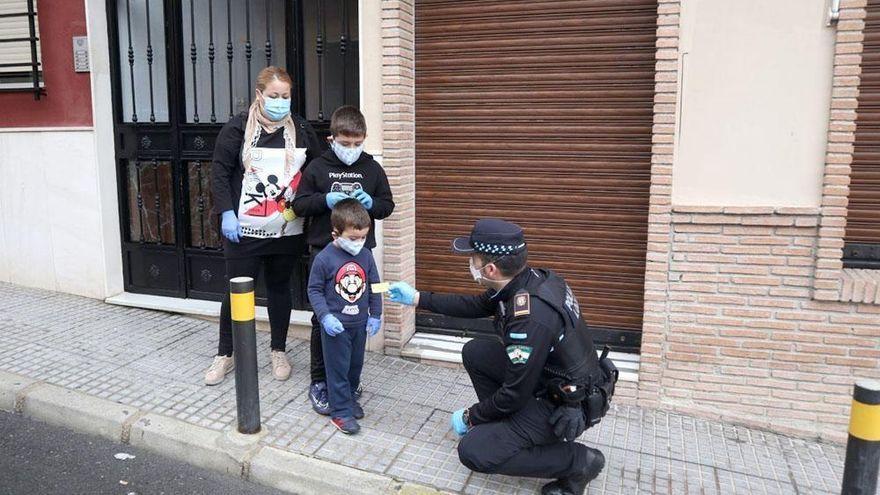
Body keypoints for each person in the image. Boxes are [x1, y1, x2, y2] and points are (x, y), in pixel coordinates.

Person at [387, 219, 617, 495]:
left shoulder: (530, 316)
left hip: (565, 404)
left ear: (491, 268)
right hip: (549, 380)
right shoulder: (529, 280)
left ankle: (579, 462)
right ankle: (506, 429)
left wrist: (472, 416)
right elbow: (475, 305)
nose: (470, 263)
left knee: (473, 451)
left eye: (472, 257)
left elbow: (514, 395)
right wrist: (417, 298)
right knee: (476, 352)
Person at [205, 66, 323, 386]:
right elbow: (219, 172)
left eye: (285, 96)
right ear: (260, 95)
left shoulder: (299, 127)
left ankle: (278, 349)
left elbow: (317, 166)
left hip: (286, 228)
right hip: (243, 229)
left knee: (280, 288)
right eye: (274, 96)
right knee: (237, 290)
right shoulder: (238, 128)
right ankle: (225, 354)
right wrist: (226, 212)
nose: (280, 101)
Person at [293, 105, 394, 415]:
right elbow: (298, 205)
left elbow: (387, 206)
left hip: (359, 254)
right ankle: (320, 380)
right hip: (324, 252)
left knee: (355, 316)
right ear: (331, 138)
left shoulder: (372, 168)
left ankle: (348, 379)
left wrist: (372, 202)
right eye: (346, 142)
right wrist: (325, 199)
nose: (352, 149)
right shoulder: (317, 168)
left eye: (357, 143)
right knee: (322, 318)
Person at [307, 199, 382, 434]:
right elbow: (314, 290)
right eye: (353, 238)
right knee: (337, 369)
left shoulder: (366, 255)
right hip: (336, 326)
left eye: (363, 238)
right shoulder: (324, 259)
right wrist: (325, 317)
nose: (359, 243)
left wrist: (376, 314)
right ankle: (340, 413)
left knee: (354, 367)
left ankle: (348, 400)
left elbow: (375, 285)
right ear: (335, 234)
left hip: (359, 324)